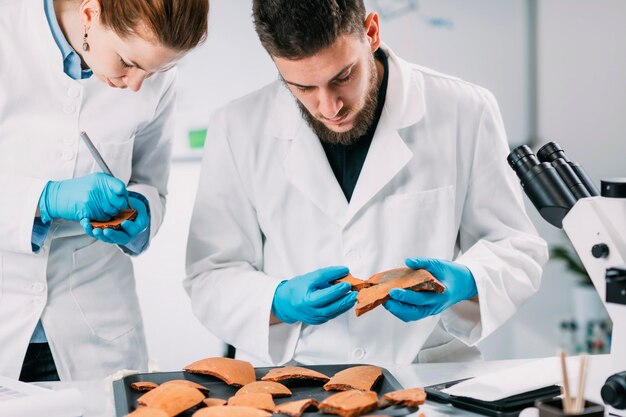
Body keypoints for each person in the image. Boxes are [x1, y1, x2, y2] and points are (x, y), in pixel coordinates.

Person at [185, 0, 547, 366]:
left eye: (343, 77)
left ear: (371, 32)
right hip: (294, 379)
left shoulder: (464, 109)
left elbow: (515, 246)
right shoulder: (236, 127)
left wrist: (467, 281)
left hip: (425, 374)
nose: (329, 107)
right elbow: (210, 275)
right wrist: (277, 300)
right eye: (302, 87)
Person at [0, 0, 208, 381]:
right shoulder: (7, 33)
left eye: (156, 70)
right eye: (128, 62)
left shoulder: (153, 77)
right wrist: (46, 199)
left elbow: (152, 183)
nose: (135, 84)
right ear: (90, 14)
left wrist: (141, 213)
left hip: (95, 329)